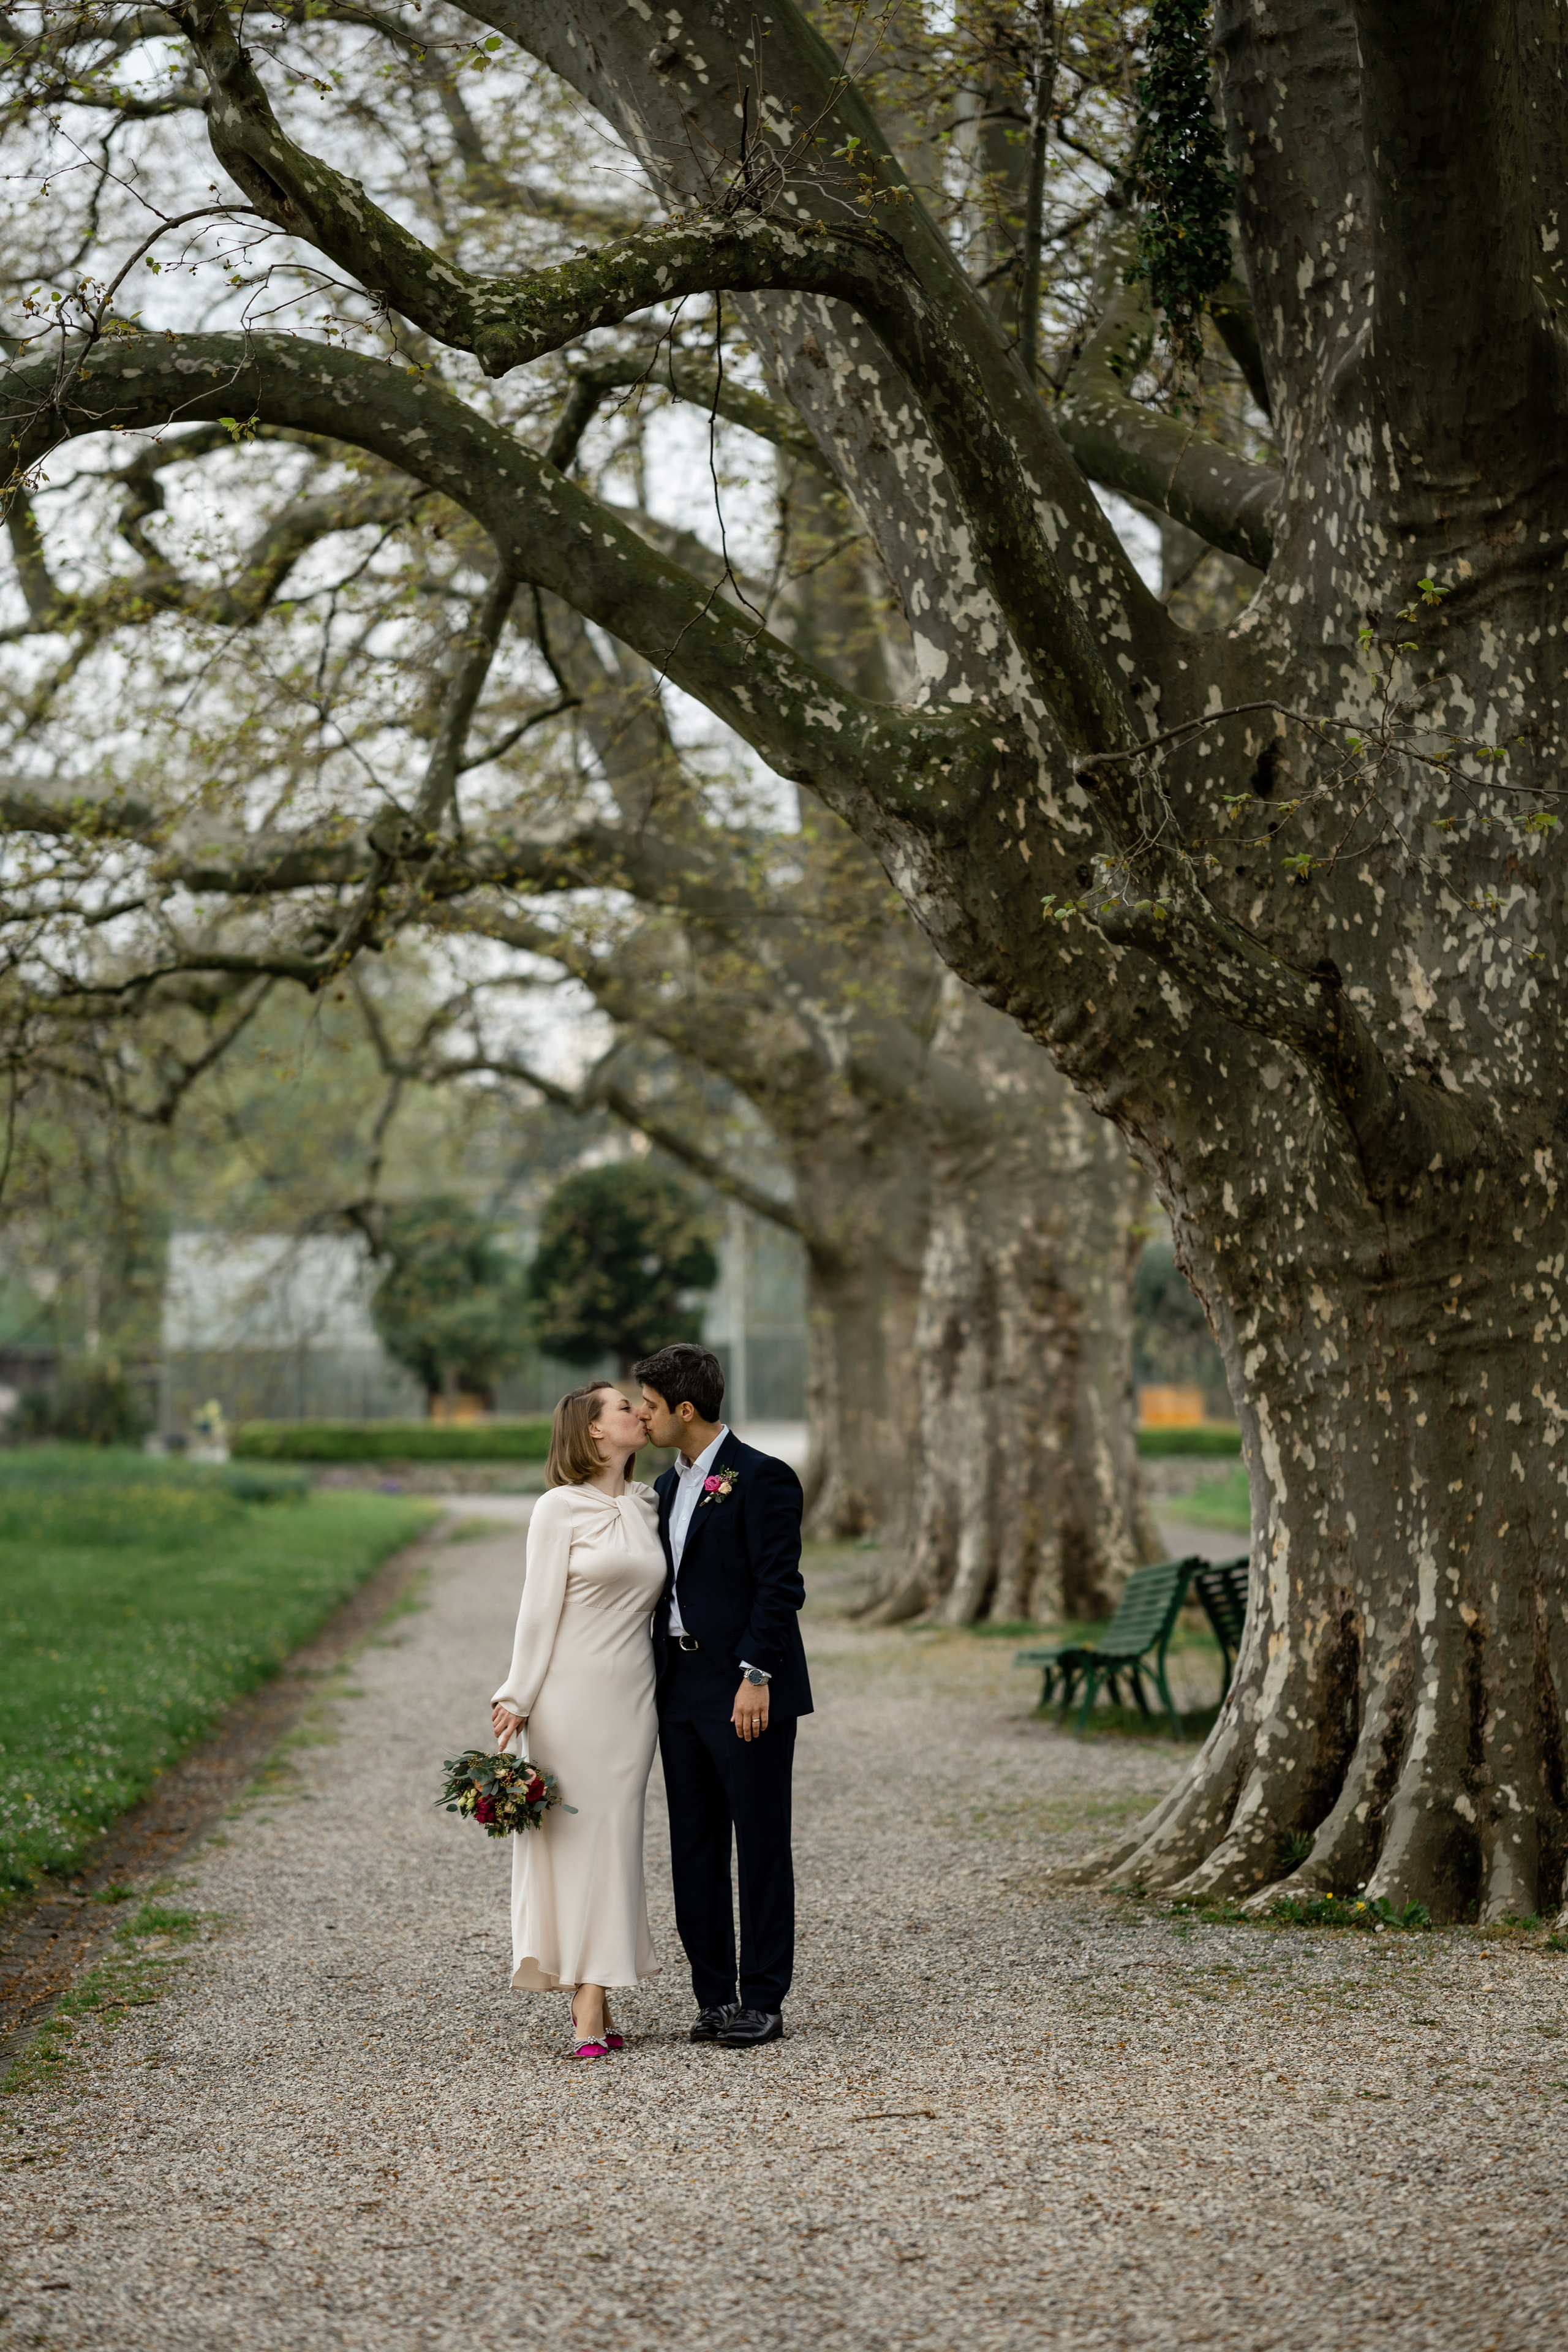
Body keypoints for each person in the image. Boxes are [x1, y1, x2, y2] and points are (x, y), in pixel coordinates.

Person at [634, 1342, 812, 2049]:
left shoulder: (764, 1477)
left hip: (745, 1688)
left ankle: (763, 1999)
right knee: (694, 1846)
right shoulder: (666, 1487)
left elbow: (780, 1589)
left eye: (648, 1407)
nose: (641, 1417)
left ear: (685, 1409)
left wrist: (756, 1676)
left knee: (760, 1843)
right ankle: (714, 1997)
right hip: (678, 1688)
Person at [489, 1383, 665, 2060]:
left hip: (633, 1701)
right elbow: (537, 1609)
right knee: (577, 1839)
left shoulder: (649, 1504)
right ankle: (588, 2003)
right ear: (593, 1431)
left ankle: (599, 1987)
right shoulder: (557, 1509)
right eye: (623, 1408)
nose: (637, 1414)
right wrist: (517, 1693)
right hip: (569, 1698)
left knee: (616, 1837)